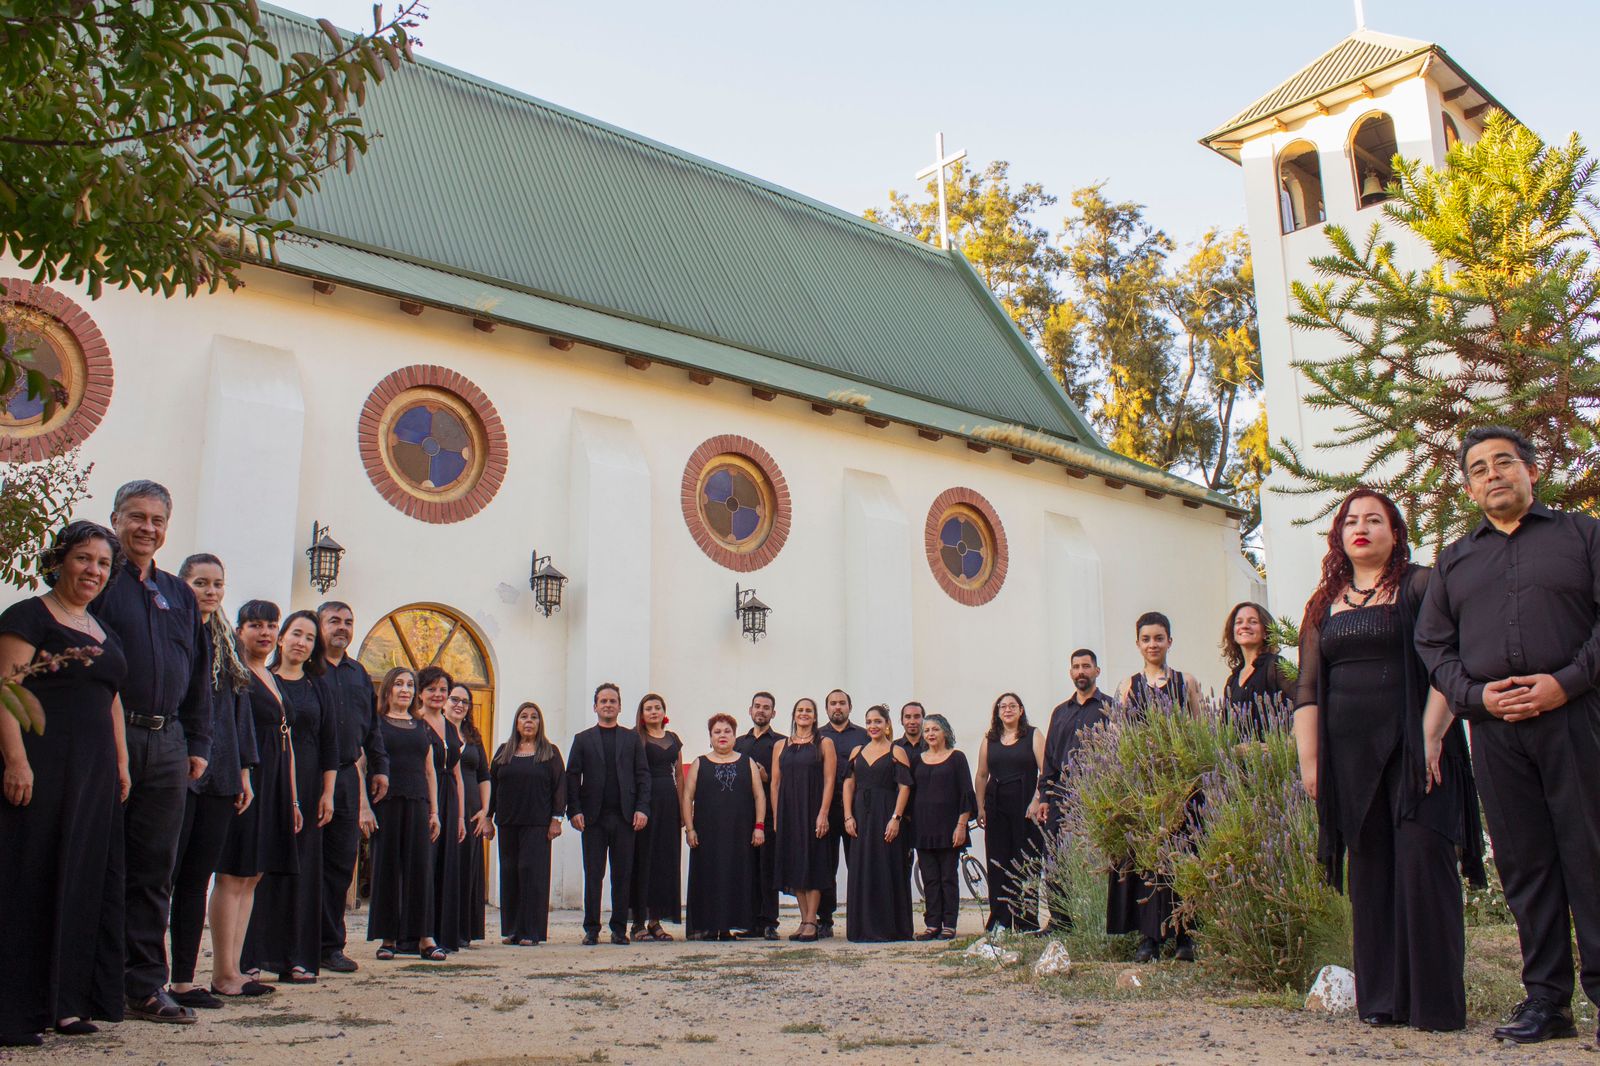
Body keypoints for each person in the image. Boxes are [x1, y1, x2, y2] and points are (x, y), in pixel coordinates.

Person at [1416, 427, 1600, 1044]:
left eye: (1503, 462)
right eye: (1478, 469)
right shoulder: (1456, 560)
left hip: (1576, 721)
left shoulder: (1583, 535)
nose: (1491, 474)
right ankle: (1547, 1002)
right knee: (1525, 865)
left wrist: (1566, 683)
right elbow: (1433, 645)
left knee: (1590, 854)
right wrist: (1474, 697)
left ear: (1530, 471)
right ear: (1469, 488)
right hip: (1494, 732)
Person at [1295, 487, 1483, 1032]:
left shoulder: (1421, 586)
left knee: (1424, 868)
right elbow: (1308, 689)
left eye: (1374, 520)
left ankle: (1435, 1007)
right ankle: (1382, 1000)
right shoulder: (1322, 603)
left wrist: (1431, 736)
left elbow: (1449, 663)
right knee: (1371, 875)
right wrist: (1311, 764)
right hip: (1349, 762)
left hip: (1419, 749)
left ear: (1394, 532)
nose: (1362, 528)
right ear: (1339, 536)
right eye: (1351, 520)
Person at [0, 522, 129, 1046]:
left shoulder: (103, 631)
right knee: (29, 881)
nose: (92, 570)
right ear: (60, 560)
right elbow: (5, 689)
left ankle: (69, 1003)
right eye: (83, 558)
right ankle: (15, 1010)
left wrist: (121, 763)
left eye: (102, 563)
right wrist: (15, 760)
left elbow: (112, 697)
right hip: (42, 770)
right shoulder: (27, 616)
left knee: (83, 883)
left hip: (95, 776)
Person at [91, 480, 212, 1024]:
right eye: (135, 517)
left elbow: (199, 678)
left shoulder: (179, 595)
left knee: (153, 870)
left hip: (166, 745)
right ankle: (85, 982)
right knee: (96, 861)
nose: (147, 528)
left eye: (157, 519)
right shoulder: (96, 581)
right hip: (105, 738)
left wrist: (199, 741)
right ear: (115, 518)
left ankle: (144, 984)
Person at [167, 555, 256, 1010]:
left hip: (220, 775)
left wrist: (243, 771)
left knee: (196, 880)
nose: (210, 591)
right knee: (162, 877)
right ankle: (142, 978)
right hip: (176, 771)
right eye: (200, 582)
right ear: (183, 584)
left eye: (218, 583)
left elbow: (240, 713)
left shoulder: (227, 641)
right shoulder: (172, 631)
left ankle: (183, 981)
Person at [242, 611, 337, 983]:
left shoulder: (319, 687)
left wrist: (329, 792)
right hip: (268, 779)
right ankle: (251, 956)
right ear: (281, 638)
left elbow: (331, 743)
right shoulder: (263, 680)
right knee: (260, 867)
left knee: (303, 871)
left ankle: (297, 958)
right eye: (296, 634)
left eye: (310, 638)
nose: (302, 642)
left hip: (311, 786)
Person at [211, 601, 293, 1000]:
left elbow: (286, 737)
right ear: (240, 630)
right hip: (246, 778)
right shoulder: (234, 673)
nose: (265, 632)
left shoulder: (271, 675)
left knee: (253, 875)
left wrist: (291, 798)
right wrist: (242, 772)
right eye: (255, 624)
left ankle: (238, 967)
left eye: (271, 625)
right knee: (232, 873)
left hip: (274, 779)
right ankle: (221, 970)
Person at [1112, 612, 1201, 962]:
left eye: (1159, 638)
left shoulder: (1186, 681)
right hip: (1144, 787)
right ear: (1138, 644)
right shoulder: (1128, 686)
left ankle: (1184, 936)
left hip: (1180, 786)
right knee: (1148, 863)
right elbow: (1119, 737)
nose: (1153, 644)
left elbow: (1198, 730)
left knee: (1183, 859)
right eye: (1146, 639)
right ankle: (1149, 937)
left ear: (1169, 641)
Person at [315, 601, 388, 974]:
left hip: (346, 775)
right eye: (334, 621)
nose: (342, 628)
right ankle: (297, 943)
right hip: (309, 775)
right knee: (304, 862)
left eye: (348, 622)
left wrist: (380, 767)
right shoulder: (308, 668)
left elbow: (371, 727)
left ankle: (331, 946)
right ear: (319, 624)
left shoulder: (358, 673)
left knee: (340, 865)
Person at [366, 668, 444, 960]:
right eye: (399, 684)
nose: (405, 689)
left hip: (418, 803)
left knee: (420, 870)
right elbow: (364, 763)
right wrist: (365, 805)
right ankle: (388, 939)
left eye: (410, 685)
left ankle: (425, 937)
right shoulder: (376, 724)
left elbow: (430, 770)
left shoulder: (421, 725)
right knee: (387, 869)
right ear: (387, 689)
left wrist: (435, 811)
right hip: (386, 803)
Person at [566, 682, 650, 945]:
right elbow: (572, 777)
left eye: (612, 701)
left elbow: (642, 776)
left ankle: (618, 929)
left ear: (620, 706)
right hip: (593, 818)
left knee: (622, 875)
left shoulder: (631, 738)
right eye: (603, 701)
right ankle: (591, 929)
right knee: (593, 874)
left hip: (625, 818)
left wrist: (642, 808)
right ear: (595, 706)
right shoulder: (582, 739)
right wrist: (574, 810)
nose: (608, 705)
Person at [1036, 649, 1111, 931]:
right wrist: (1045, 796)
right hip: (1061, 796)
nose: (1081, 672)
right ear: (1070, 673)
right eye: (1076, 667)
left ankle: (1100, 920)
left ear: (1097, 671)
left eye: (1086, 666)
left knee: (1097, 859)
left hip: (1096, 796)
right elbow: (1050, 758)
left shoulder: (1109, 707)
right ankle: (1060, 921)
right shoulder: (1060, 712)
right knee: (1055, 858)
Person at [683, 713, 766, 941]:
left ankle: (728, 926)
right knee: (708, 877)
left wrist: (759, 826)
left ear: (734, 736)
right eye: (717, 732)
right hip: (706, 835)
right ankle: (708, 927)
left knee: (735, 877)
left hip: (739, 834)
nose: (722, 736)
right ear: (710, 737)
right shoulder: (700, 762)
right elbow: (687, 797)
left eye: (727, 731)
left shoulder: (746, 761)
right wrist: (690, 829)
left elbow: (759, 796)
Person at [489, 702, 565, 945]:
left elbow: (559, 787)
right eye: (524, 716)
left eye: (534, 717)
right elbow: (492, 786)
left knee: (532, 874)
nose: (529, 721)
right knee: (510, 873)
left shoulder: (549, 752)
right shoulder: (504, 752)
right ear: (517, 722)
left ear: (540, 723)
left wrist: (556, 819)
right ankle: (513, 930)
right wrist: (487, 818)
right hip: (508, 822)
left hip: (538, 824)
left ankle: (531, 932)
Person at [974, 692, 1045, 934]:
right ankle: (1000, 920)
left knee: (1026, 862)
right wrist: (980, 806)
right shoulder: (989, 740)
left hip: (1026, 808)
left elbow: (1045, 772)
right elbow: (982, 775)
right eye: (1002, 706)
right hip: (997, 808)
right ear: (997, 712)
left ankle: (1025, 920)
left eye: (1012, 706)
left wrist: (1037, 800)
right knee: (999, 862)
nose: (1007, 710)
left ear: (1021, 710)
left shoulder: (1033, 735)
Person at [843, 705, 913, 942]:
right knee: (862, 866)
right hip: (861, 815)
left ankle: (890, 928)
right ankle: (862, 928)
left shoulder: (896, 751)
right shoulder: (857, 751)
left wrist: (896, 818)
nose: (873, 726)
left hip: (886, 814)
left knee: (887, 866)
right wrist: (848, 816)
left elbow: (905, 787)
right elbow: (848, 785)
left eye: (878, 722)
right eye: (869, 721)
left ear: (887, 725)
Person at [770, 697, 836, 942]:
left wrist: (823, 813)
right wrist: (777, 815)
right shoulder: (781, 745)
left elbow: (830, 780)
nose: (804, 714)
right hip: (789, 810)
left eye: (809, 710)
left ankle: (811, 920)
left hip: (813, 809)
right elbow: (775, 783)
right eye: (800, 710)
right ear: (793, 715)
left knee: (814, 861)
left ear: (815, 716)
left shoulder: (824, 743)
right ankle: (803, 918)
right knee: (795, 862)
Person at [416, 666, 467, 952]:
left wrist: (459, 815)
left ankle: (443, 934)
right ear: (421, 693)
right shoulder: (416, 722)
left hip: (449, 797)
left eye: (442, 690)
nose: (438, 694)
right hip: (424, 797)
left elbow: (458, 774)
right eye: (432, 689)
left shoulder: (450, 726)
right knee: (424, 865)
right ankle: (420, 933)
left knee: (445, 865)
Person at [911, 714, 974, 940]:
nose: (930, 734)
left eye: (935, 729)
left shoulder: (957, 758)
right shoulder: (917, 760)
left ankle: (949, 923)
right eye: (926, 730)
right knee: (930, 878)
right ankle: (932, 924)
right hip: (923, 827)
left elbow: (966, 793)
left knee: (948, 877)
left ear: (945, 732)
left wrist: (961, 826)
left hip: (950, 828)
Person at [628, 692, 682, 942]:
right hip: (644, 802)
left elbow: (679, 775)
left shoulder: (673, 739)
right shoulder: (634, 738)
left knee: (664, 861)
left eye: (657, 707)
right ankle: (637, 922)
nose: (653, 711)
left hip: (668, 801)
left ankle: (655, 921)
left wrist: (683, 807)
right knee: (643, 860)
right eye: (648, 708)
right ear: (642, 713)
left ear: (664, 711)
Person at [733, 690, 785, 939]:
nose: (761, 711)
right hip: (743, 816)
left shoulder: (782, 743)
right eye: (757, 706)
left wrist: (767, 778)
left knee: (767, 869)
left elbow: (787, 780)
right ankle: (750, 922)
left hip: (770, 816)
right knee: (747, 869)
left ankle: (769, 923)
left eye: (766, 707)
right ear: (750, 710)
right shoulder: (739, 744)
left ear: (773, 713)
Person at [816, 688, 867, 939]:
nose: (838, 707)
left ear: (850, 707)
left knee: (857, 863)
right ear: (826, 709)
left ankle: (860, 916)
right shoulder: (816, 736)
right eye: (833, 703)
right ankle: (824, 919)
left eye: (842, 703)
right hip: (824, 810)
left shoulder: (864, 735)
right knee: (825, 866)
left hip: (855, 811)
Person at [446, 685, 490, 947]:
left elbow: (484, 776)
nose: (459, 705)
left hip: (473, 812)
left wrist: (485, 811)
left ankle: (463, 930)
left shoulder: (473, 737)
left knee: (467, 870)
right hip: (445, 807)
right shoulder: (433, 731)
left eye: (465, 701)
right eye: (455, 699)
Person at [1221, 602, 1292, 738]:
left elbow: (1302, 705)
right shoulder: (1232, 681)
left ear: (1266, 632)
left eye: (1253, 622)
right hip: (1240, 758)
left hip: (1276, 757)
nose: (1244, 626)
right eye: (1239, 622)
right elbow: (1225, 728)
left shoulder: (1275, 665)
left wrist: (1285, 745)